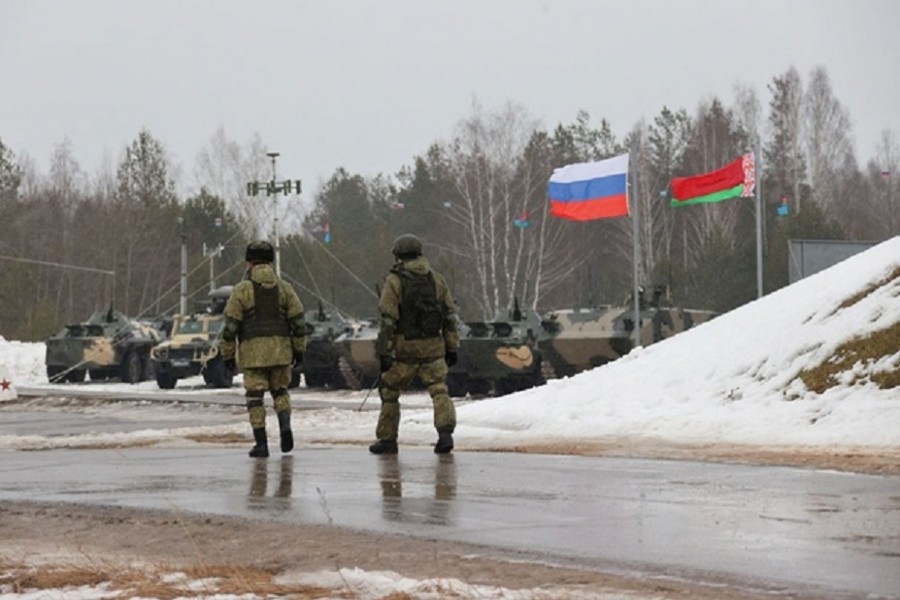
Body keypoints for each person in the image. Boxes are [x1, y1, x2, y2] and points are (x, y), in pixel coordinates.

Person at [369, 234, 460, 455]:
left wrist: (383, 351)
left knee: (389, 390)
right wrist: (452, 347)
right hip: (433, 347)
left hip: (405, 349)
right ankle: (445, 434)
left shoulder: (394, 281)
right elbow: (450, 316)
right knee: (439, 390)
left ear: (399, 256)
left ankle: (388, 440)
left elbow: (388, 319)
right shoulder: (436, 279)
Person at [219, 241, 307, 458]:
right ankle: (285, 426)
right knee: (280, 391)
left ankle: (261, 443)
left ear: (249, 262)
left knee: (255, 397)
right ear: (271, 261)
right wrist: (299, 350)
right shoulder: (285, 288)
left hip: (253, 355)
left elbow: (230, 327)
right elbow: (298, 322)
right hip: (280, 352)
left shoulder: (242, 290)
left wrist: (227, 355)